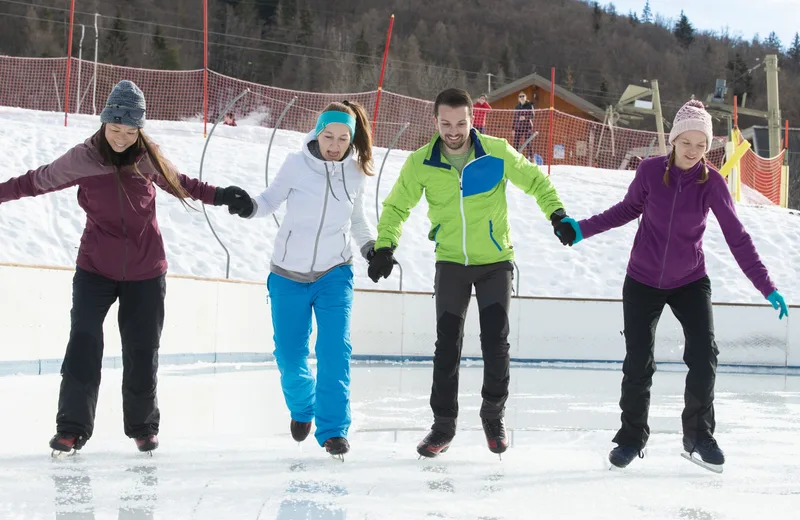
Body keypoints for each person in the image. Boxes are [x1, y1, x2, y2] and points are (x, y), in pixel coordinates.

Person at [0, 80, 252, 455]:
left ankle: (142, 427)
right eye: (115, 128)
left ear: (140, 130)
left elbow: (182, 184)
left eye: (130, 130)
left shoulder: (147, 158)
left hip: (146, 272)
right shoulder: (82, 158)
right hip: (95, 270)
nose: (120, 137)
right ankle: (71, 428)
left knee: (142, 350)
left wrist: (221, 196)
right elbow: (35, 181)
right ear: (104, 123)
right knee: (83, 344)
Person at [558, 100, 789, 471]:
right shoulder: (650, 172)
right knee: (638, 361)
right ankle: (632, 438)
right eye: (687, 143)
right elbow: (626, 209)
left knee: (703, 355)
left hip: (690, 280)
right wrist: (582, 229)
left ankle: (698, 436)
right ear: (674, 139)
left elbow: (737, 237)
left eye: (701, 145)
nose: (693, 152)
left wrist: (766, 285)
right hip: (642, 279)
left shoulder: (712, 182)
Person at [368, 88, 572, 458]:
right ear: (435, 121)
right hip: (451, 263)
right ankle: (443, 426)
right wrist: (385, 246)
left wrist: (556, 214)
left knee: (496, 343)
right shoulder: (421, 163)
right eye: (445, 123)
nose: (453, 130)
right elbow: (397, 206)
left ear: (471, 120)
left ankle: (493, 415)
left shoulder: (496, 152)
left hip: (495, 262)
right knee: (447, 345)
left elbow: (536, 182)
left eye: (460, 122)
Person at [228, 101, 376, 458]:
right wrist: (248, 206)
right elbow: (268, 201)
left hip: (334, 273)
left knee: (334, 352)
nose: (335, 145)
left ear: (352, 140)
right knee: (290, 358)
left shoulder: (355, 172)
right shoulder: (296, 165)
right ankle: (302, 405)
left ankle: (334, 430)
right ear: (318, 132)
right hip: (287, 275)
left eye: (343, 138)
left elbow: (356, 220)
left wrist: (372, 249)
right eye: (329, 136)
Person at [512, 91, 534, 157]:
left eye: (523, 96)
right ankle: (515, 157)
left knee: (528, 142)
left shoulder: (529, 105)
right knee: (515, 142)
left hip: (527, 126)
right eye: (520, 96)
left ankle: (532, 158)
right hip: (518, 127)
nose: (521, 97)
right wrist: (513, 128)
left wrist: (525, 117)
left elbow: (532, 115)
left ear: (525, 97)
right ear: (518, 98)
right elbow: (515, 118)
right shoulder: (517, 107)